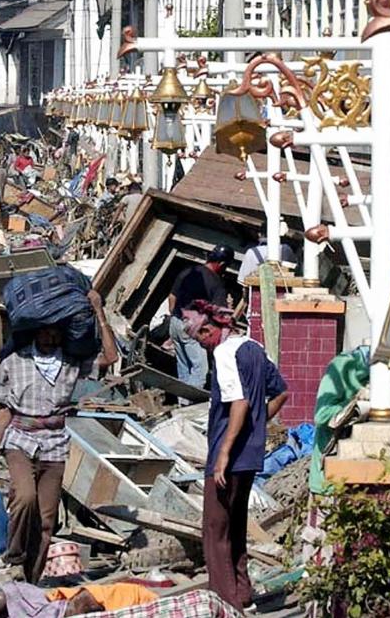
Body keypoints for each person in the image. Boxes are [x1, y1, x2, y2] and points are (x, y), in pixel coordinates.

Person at [0, 288, 118, 584]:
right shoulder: (14, 361)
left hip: (55, 444)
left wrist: (99, 311)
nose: (51, 338)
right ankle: (14, 557)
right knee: (25, 497)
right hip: (20, 438)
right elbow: (4, 410)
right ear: (36, 331)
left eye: (57, 332)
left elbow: (110, 356)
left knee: (46, 521)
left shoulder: (71, 362)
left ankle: (30, 581)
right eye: (46, 332)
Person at [196, 304, 288, 610]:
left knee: (215, 529)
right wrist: (257, 427)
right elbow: (281, 393)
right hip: (250, 453)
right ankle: (242, 590)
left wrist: (223, 452)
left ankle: (225, 602)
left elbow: (239, 402)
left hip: (229, 453)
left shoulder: (225, 354)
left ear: (211, 330)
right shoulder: (254, 348)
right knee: (235, 525)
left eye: (201, 337)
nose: (203, 344)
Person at [167, 246, 239, 391]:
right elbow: (220, 315)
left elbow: (172, 297)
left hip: (175, 323)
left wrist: (176, 317)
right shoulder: (216, 283)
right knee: (200, 371)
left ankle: (181, 402)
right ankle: (187, 406)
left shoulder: (188, 272)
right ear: (223, 264)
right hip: (193, 329)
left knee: (184, 367)